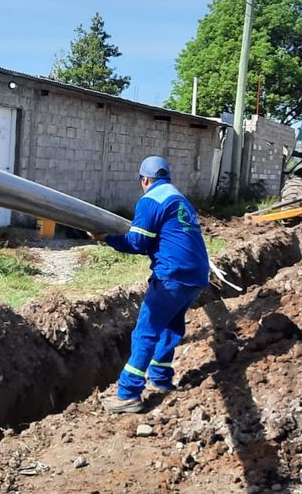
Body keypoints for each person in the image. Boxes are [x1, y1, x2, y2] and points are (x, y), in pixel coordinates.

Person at [91, 156, 210, 413]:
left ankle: (129, 393)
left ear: (144, 180)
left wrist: (107, 238)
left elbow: (137, 243)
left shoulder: (150, 200)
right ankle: (161, 380)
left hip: (172, 275)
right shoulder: (180, 199)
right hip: (196, 275)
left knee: (145, 332)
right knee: (170, 328)